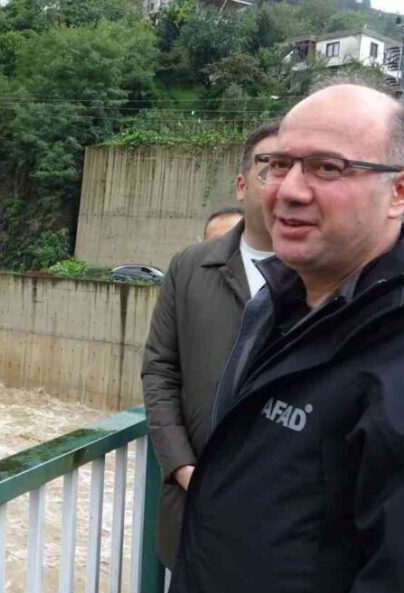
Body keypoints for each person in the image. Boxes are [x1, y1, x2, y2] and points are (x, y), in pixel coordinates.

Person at [159, 83, 404, 593]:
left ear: (400, 191)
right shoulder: (280, 305)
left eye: (327, 168)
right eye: (278, 164)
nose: (289, 191)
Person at [142, 119, 279, 570]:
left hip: (282, 521)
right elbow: (160, 370)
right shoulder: (191, 267)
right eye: (270, 166)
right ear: (242, 185)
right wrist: (183, 469)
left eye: (301, 168)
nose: (284, 181)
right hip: (194, 508)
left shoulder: (327, 276)